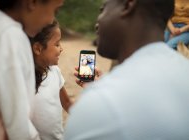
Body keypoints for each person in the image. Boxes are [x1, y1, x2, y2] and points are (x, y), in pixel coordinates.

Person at [64, 0, 189, 140]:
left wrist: (103, 91)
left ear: (127, 5)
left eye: (102, 10)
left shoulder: (99, 104)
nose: (97, 22)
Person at [0, 0, 63, 139]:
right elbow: (18, 125)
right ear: (32, 2)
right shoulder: (10, 37)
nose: (51, 20)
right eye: (55, 10)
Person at [29, 21, 72, 140]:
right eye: (57, 44)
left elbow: (67, 103)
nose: (61, 49)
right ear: (38, 48)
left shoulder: (55, 71)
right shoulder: (24, 79)